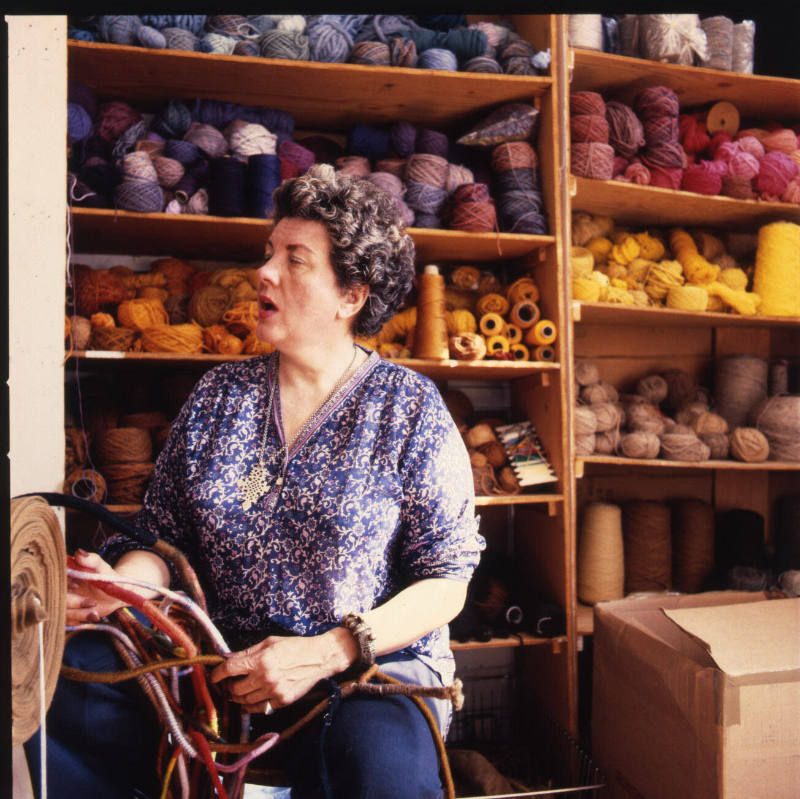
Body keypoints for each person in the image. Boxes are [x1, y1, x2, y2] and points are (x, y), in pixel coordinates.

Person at [27, 163, 485, 798]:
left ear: (351, 296)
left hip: (361, 668)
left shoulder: (408, 410)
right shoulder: (221, 395)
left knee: (377, 768)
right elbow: (164, 541)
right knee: (63, 679)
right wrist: (121, 590)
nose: (264, 272)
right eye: (269, 253)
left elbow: (447, 581)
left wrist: (328, 651)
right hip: (222, 662)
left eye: (295, 260)